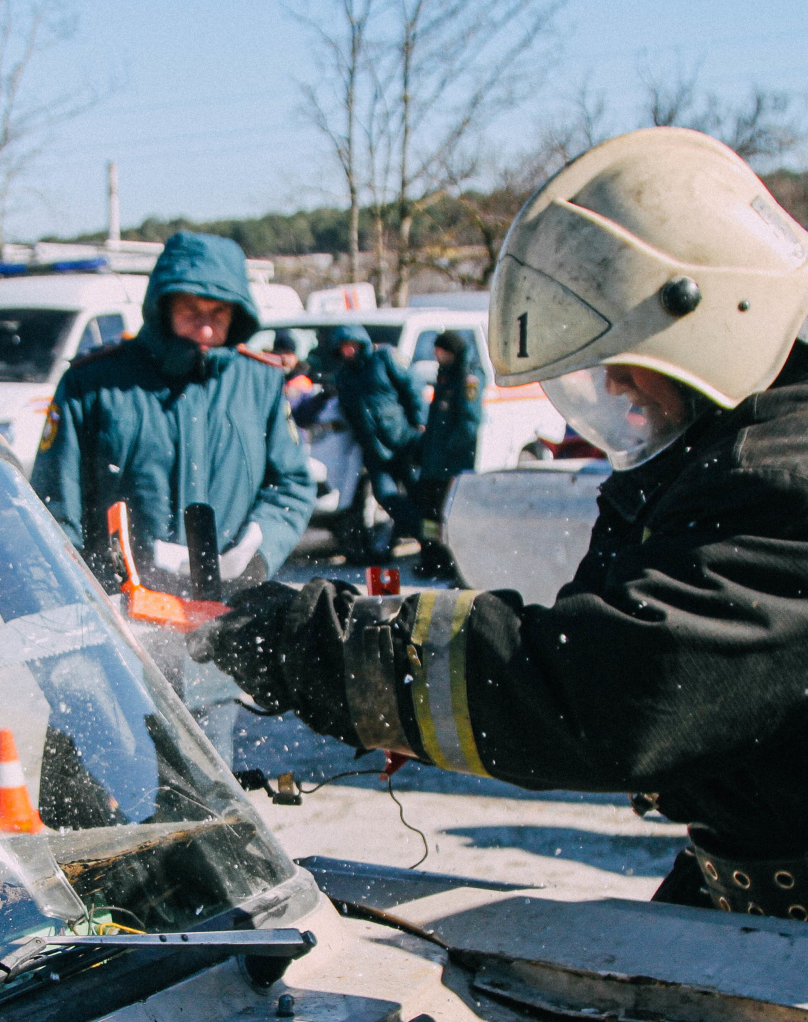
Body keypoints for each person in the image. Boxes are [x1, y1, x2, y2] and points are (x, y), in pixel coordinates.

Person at [195, 127, 808, 965]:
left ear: (717, 311)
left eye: (628, 362)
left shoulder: (796, 471)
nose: (624, 394)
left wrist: (304, 644)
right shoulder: (794, 400)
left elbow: (605, 690)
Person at [32, 230, 316, 756]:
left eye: (220, 314)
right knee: (110, 790)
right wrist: (78, 609)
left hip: (215, 632)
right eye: (191, 311)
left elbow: (292, 485)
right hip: (120, 630)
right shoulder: (95, 384)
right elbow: (55, 508)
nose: (206, 328)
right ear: (162, 307)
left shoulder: (259, 384)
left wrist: (258, 552)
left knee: (207, 789)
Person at [325, 324, 426, 560]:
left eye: (352, 345)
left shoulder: (384, 359)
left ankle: (430, 547)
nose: (348, 351)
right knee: (385, 495)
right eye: (343, 347)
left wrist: (419, 423)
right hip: (374, 449)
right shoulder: (344, 376)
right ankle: (416, 531)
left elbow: (412, 387)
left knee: (419, 495)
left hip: (403, 441)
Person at [414, 331, 483, 575]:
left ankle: (449, 562)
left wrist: (447, 451)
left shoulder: (467, 380)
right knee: (430, 517)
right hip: (434, 464)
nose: (436, 355)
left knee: (446, 516)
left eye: (439, 350)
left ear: (451, 352)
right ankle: (431, 559)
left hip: (451, 464)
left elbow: (469, 424)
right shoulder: (444, 379)